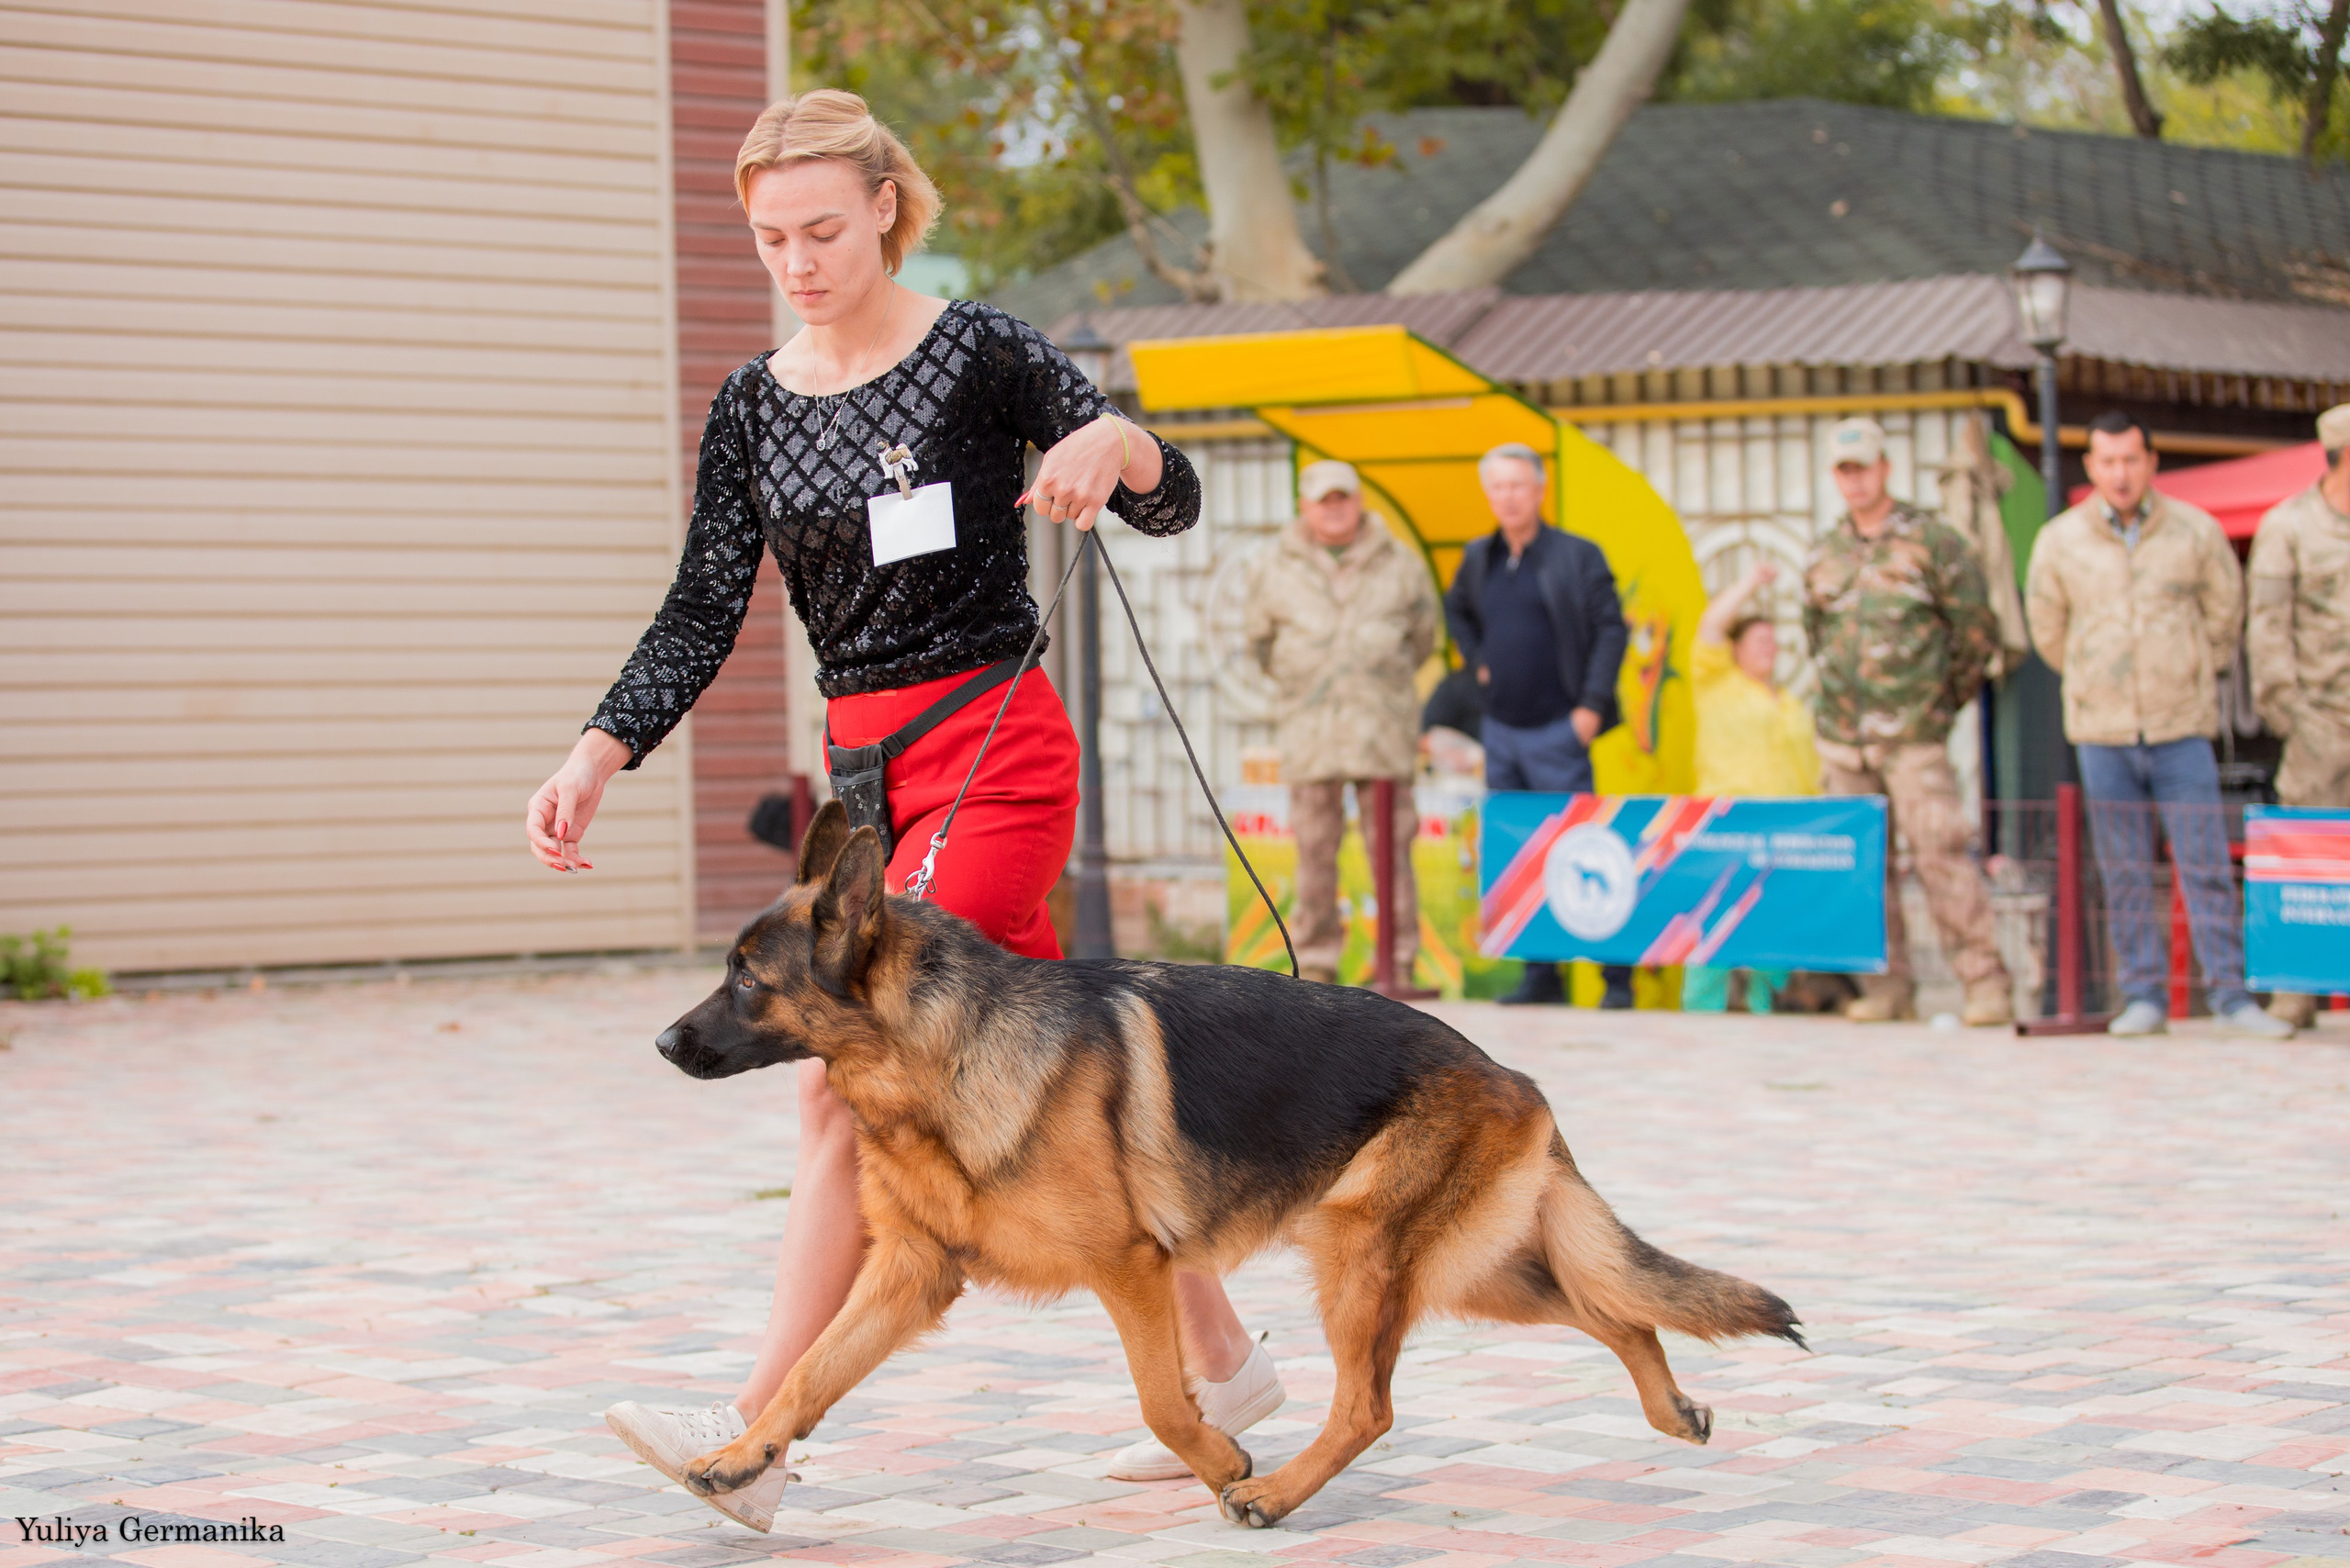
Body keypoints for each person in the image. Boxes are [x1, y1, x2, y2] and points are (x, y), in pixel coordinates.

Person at [521, 92, 1282, 1525]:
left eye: (821, 228)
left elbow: (1170, 500)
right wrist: (596, 750)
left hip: (994, 750)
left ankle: (756, 1437)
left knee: (833, 1072)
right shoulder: (754, 401)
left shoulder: (980, 351)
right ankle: (1226, 1366)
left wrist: (1112, 441)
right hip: (864, 787)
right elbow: (702, 608)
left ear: (885, 204)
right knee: (1078, 1094)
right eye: (769, 239)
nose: (798, 260)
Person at [2024, 410, 2293, 1039]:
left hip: (2180, 726)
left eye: (2130, 460)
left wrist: (2191, 670)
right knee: (2122, 867)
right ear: (2091, 466)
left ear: (2150, 463)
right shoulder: (2061, 541)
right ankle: (2142, 994)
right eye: (2107, 461)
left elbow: (2225, 615)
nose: (2120, 473)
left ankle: (2231, 994)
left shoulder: (2195, 532)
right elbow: (2048, 628)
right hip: (2103, 730)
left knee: (2203, 864)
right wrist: (2096, 676)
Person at [1803, 418, 2014, 1027]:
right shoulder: (1824, 550)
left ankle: (1984, 982)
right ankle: (1890, 987)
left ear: (1885, 468)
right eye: (1844, 470)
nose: (1855, 479)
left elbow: (1976, 632)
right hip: (1844, 738)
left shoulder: (1934, 540)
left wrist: (1940, 704)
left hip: (1915, 736)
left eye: (1863, 467)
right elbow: (1817, 634)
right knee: (1864, 866)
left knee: (1941, 854)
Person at [1443, 442, 1630, 1008]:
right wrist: (1478, 659)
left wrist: (1591, 709)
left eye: (1518, 485)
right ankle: (1539, 976)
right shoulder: (1479, 558)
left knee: (1585, 847)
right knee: (1520, 851)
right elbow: (1456, 610)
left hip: (1561, 730)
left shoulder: (1578, 555)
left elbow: (1612, 630)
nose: (1508, 496)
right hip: (1502, 731)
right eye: (1498, 486)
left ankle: (1614, 981)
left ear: (1541, 489)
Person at [1243, 460, 1438, 985]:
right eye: (1323, 500)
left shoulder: (1400, 562)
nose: (1334, 509)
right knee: (1314, 851)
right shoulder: (1273, 564)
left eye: (1343, 498)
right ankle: (1318, 962)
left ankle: (1396, 961)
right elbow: (1259, 641)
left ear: (1358, 502)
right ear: (1305, 505)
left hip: (1382, 727)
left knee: (1393, 849)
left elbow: (1424, 636)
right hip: (1312, 729)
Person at [2243, 402, 2350, 1031]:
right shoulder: (2288, 527)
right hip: (2319, 721)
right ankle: (2295, 992)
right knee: (2308, 855)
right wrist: (2298, 719)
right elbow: (2267, 635)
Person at [1684, 559, 1819, 1013]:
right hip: (1727, 823)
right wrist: (1752, 582)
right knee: (1713, 924)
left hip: (1782, 829)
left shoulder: (1791, 703)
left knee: (1773, 926)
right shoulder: (1716, 684)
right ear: (1736, 648)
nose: (1769, 648)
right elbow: (1710, 625)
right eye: (1759, 639)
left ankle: (1766, 1008)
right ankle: (1702, 1013)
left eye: (1773, 641)